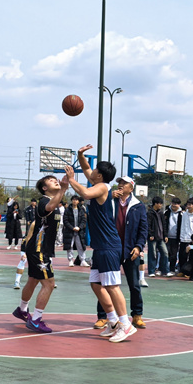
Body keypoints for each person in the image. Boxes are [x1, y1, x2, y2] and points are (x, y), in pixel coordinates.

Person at [65, 144, 136, 343]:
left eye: (95, 170)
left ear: (100, 175)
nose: (92, 171)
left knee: (112, 286)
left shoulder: (102, 187)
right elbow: (86, 168)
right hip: (100, 246)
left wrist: (71, 179)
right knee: (96, 284)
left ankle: (126, 324)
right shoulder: (99, 183)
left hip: (109, 245)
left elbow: (86, 194)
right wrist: (80, 155)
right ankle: (112, 321)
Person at [11, 174, 69, 333]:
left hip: (40, 248)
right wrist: (63, 189)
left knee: (33, 280)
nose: (55, 181)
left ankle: (22, 310)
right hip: (39, 249)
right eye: (51, 180)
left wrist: (63, 190)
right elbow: (49, 207)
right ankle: (36, 320)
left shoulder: (55, 201)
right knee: (49, 284)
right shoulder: (44, 201)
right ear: (44, 188)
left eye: (56, 179)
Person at [93, 175, 148, 330]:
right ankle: (103, 316)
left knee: (134, 284)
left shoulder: (138, 206)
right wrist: (109, 197)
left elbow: (143, 229)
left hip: (130, 250)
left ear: (131, 187)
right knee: (105, 283)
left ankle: (137, 315)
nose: (121, 185)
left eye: (124, 183)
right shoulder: (110, 201)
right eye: (119, 183)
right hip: (111, 248)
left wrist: (138, 246)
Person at [146, 196, 168, 285]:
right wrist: (150, 234)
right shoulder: (150, 213)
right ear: (155, 204)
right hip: (153, 237)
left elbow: (164, 225)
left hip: (161, 237)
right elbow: (148, 225)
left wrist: (165, 235)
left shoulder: (161, 213)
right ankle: (151, 271)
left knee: (165, 253)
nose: (161, 205)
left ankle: (165, 270)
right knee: (153, 254)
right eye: (160, 204)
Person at [63, 195, 89, 267]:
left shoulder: (81, 210)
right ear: (71, 201)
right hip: (70, 231)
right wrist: (72, 228)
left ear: (78, 201)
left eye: (76, 200)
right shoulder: (67, 210)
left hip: (79, 231)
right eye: (73, 199)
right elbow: (65, 221)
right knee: (70, 245)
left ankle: (82, 260)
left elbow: (84, 220)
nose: (75, 201)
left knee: (80, 246)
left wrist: (79, 227)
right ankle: (70, 260)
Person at [162, 197, 182, 276]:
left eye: (176, 204)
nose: (174, 205)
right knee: (165, 253)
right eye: (173, 203)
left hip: (176, 238)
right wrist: (165, 235)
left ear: (179, 205)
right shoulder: (167, 212)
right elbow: (164, 224)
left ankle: (172, 269)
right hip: (167, 237)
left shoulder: (182, 214)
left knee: (174, 254)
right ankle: (164, 269)